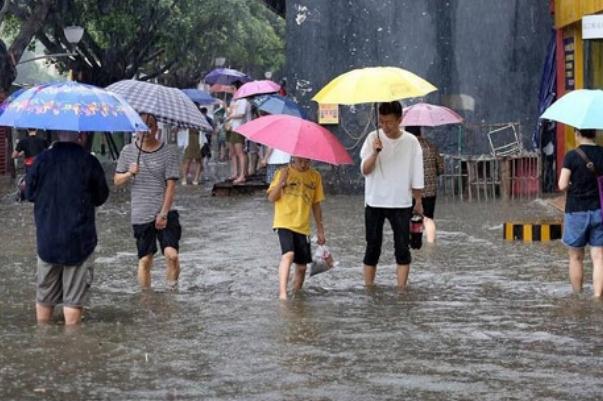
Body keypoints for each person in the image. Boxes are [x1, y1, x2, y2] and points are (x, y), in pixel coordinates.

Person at [26, 131, 109, 325]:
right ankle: (71, 345)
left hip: (47, 240)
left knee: (44, 297)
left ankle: (44, 340)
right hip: (79, 242)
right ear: (81, 136)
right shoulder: (89, 162)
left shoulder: (41, 160)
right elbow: (101, 197)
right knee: (73, 301)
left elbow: (29, 194)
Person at [359, 101, 424, 288]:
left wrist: (418, 200)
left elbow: (417, 173)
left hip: (401, 203)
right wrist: (375, 153)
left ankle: (401, 290)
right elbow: (364, 170)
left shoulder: (411, 142)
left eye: (389, 122)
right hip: (374, 201)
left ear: (399, 120)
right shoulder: (373, 137)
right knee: (372, 247)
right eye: (381, 122)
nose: (385, 126)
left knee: (402, 248)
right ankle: (369, 288)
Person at [114, 113, 182, 290]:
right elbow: (117, 181)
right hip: (141, 213)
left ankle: (171, 291)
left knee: (172, 255)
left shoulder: (169, 152)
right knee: (145, 259)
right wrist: (129, 173)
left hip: (165, 211)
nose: (146, 130)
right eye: (142, 126)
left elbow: (171, 186)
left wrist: (163, 213)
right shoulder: (128, 152)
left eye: (150, 126)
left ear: (156, 129)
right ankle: (146, 299)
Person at [267, 157, 326, 300]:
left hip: (302, 226)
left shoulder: (315, 177)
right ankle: (283, 294)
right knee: (288, 254)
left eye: (307, 162)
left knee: (302, 267)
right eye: (300, 162)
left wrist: (320, 229)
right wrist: (281, 182)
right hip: (284, 222)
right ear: (293, 158)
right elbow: (271, 198)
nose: (304, 165)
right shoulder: (283, 172)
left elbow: (316, 205)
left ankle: (296, 296)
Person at [558, 128, 603, 298]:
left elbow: (562, 185)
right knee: (599, 257)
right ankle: (598, 297)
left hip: (576, 211)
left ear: (577, 134)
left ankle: (578, 295)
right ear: (595, 134)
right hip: (600, 210)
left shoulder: (571, 156)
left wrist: (573, 185)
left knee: (576, 257)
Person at [405, 126, 444, 243]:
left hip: (411, 191)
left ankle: (413, 243)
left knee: (412, 218)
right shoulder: (432, 147)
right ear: (420, 131)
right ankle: (431, 243)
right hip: (430, 190)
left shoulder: (407, 148)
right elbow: (441, 169)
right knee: (428, 219)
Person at [226, 81, 251, 184]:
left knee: (240, 152)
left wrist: (231, 116)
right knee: (233, 152)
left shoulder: (243, 101)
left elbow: (241, 114)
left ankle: (242, 175)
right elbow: (230, 113)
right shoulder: (234, 101)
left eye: (232, 89)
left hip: (240, 128)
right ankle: (235, 173)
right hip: (232, 128)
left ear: (237, 89)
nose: (231, 91)